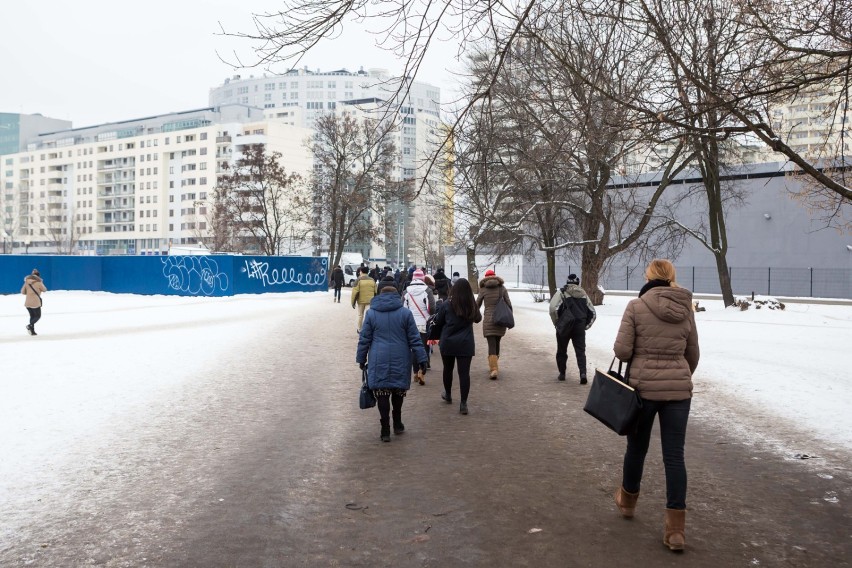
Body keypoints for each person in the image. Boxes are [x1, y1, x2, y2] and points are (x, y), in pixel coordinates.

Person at [612, 259, 699, 552]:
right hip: (678, 392)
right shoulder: (686, 307)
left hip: (644, 390)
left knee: (637, 448)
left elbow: (622, 351)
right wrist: (677, 374)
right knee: (674, 457)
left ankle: (627, 501)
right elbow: (693, 353)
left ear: (649, 277)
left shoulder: (636, 306)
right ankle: (675, 531)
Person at [356, 282, 428, 442]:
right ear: (397, 297)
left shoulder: (371, 314)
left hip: (378, 357)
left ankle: (385, 428)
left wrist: (361, 358)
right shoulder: (405, 313)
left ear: (380, 296)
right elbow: (415, 339)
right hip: (400, 357)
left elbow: (364, 339)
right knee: (398, 389)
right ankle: (397, 421)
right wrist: (422, 358)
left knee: (381, 391)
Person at [432, 278, 482, 415]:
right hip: (465, 343)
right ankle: (463, 403)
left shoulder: (447, 304)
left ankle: (448, 394)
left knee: (448, 369)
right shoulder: (471, 305)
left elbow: (439, 322)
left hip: (448, 342)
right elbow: (478, 319)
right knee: (464, 373)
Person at [548, 274, 596, 383]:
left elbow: (552, 308)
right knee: (580, 352)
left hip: (564, 326)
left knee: (561, 350)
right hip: (579, 327)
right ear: (578, 283)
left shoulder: (561, 293)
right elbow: (593, 313)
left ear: (567, 282)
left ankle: (562, 373)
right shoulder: (584, 295)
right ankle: (583, 374)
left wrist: (557, 323)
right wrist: (585, 326)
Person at [476, 268, 512, 379]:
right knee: (497, 341)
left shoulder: (483, 289)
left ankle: (494, 368)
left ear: (486, 278)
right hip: (500, 319)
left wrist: (473, 315)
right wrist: (508, 316)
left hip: (488, 319)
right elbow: (509, 304)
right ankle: (494, 364)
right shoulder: (502, 288)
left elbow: (477, 305)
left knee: (491, 343)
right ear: (495, 276)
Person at [402, 269, 435, 380]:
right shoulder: (427, 290)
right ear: (423, 278)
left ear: (412, 278)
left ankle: (415, 372)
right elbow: (432, 309)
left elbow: (403, 309)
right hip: (424, 323)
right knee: (424, 347)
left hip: (411, 324)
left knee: (413, 348)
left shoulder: (406, 291)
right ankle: (422, 370)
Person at [351, 266, 377, 334]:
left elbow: (354, 292)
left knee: (360, 315)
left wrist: (353, 302)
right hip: (370, 301)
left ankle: (359, 329)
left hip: (361, 301)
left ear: (361, 271)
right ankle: (368, 329)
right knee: (368, 315)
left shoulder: (358, 280)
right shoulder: (372, 280)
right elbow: (375, 291)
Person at [22, 268, 47, 336]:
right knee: (38, 316)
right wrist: (40, 284)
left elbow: (22, 292)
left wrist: (29, 291)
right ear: (38, 276)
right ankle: (29, 326)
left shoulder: (27, 282)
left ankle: (32, 331)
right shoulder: (39, 282)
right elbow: (44, 290)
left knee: (32, 317)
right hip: (35, 302)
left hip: (27, 303)